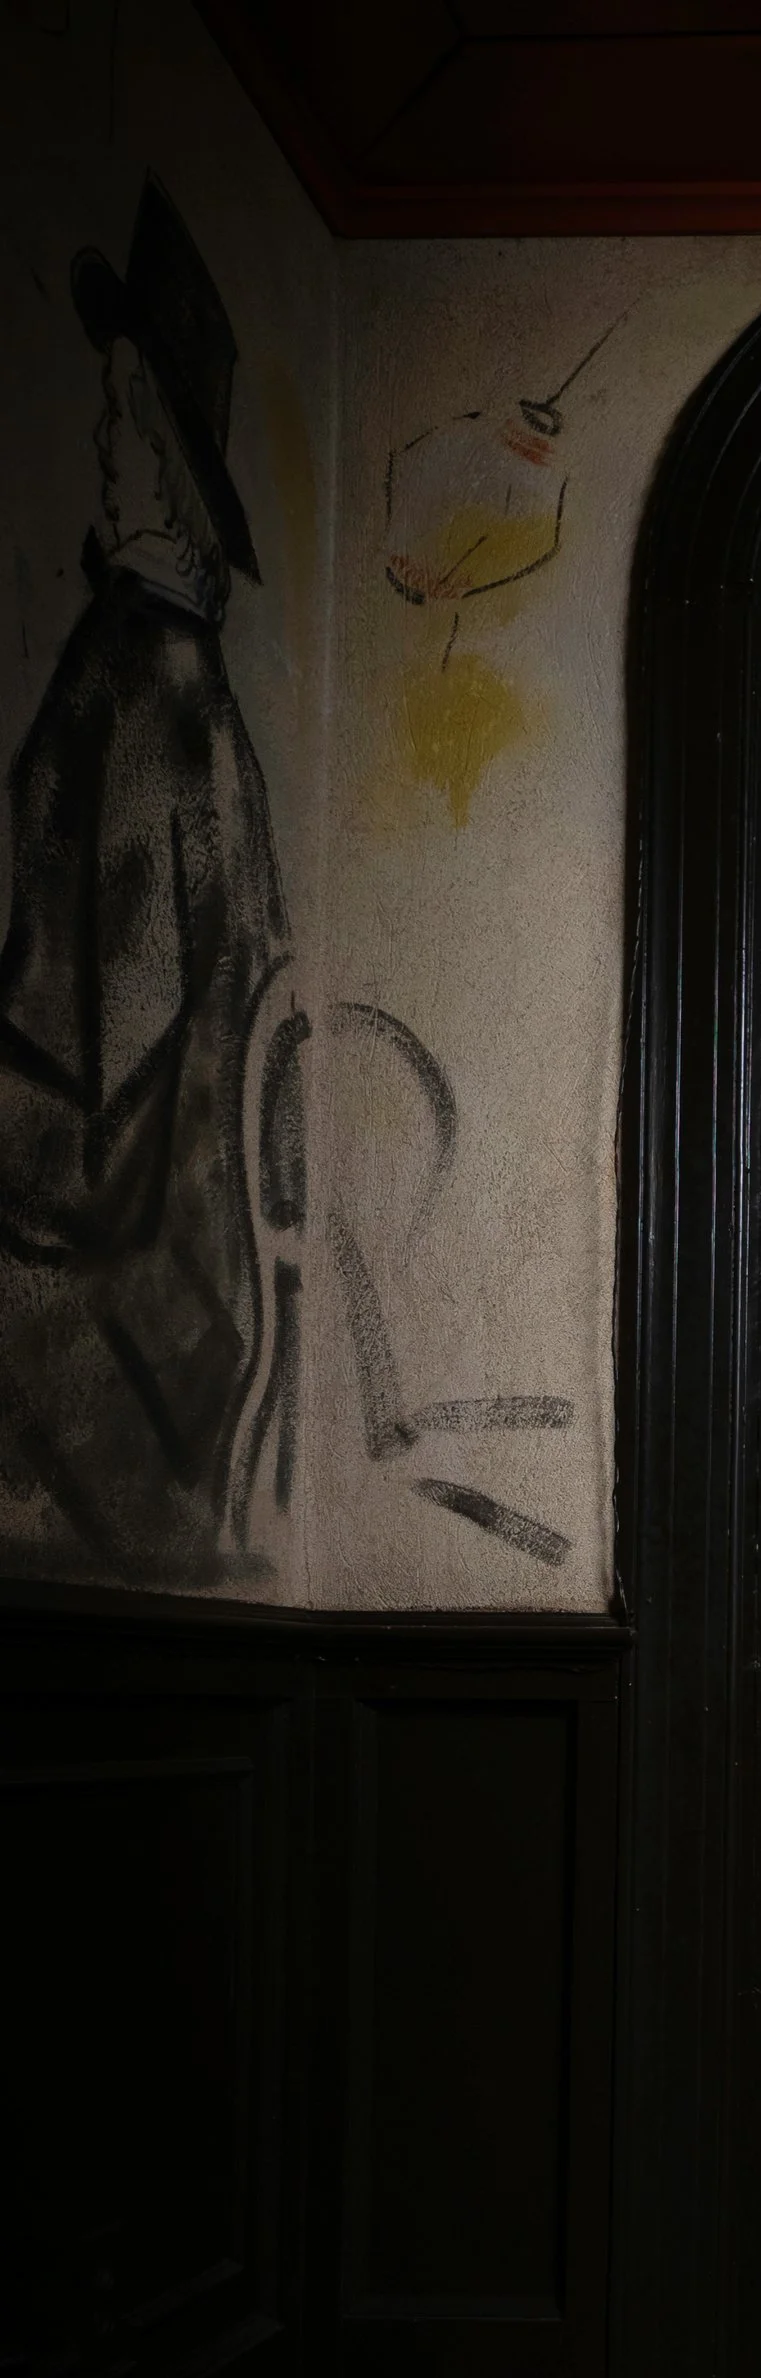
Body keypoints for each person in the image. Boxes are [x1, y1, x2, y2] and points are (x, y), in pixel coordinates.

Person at [0, 178, 297, 1576]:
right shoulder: (188, 692)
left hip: (121, 1313)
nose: (108, 440)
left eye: (132, 413)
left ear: (169, 455)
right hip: (180, 1290)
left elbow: (99, 1072)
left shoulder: (145, 695)